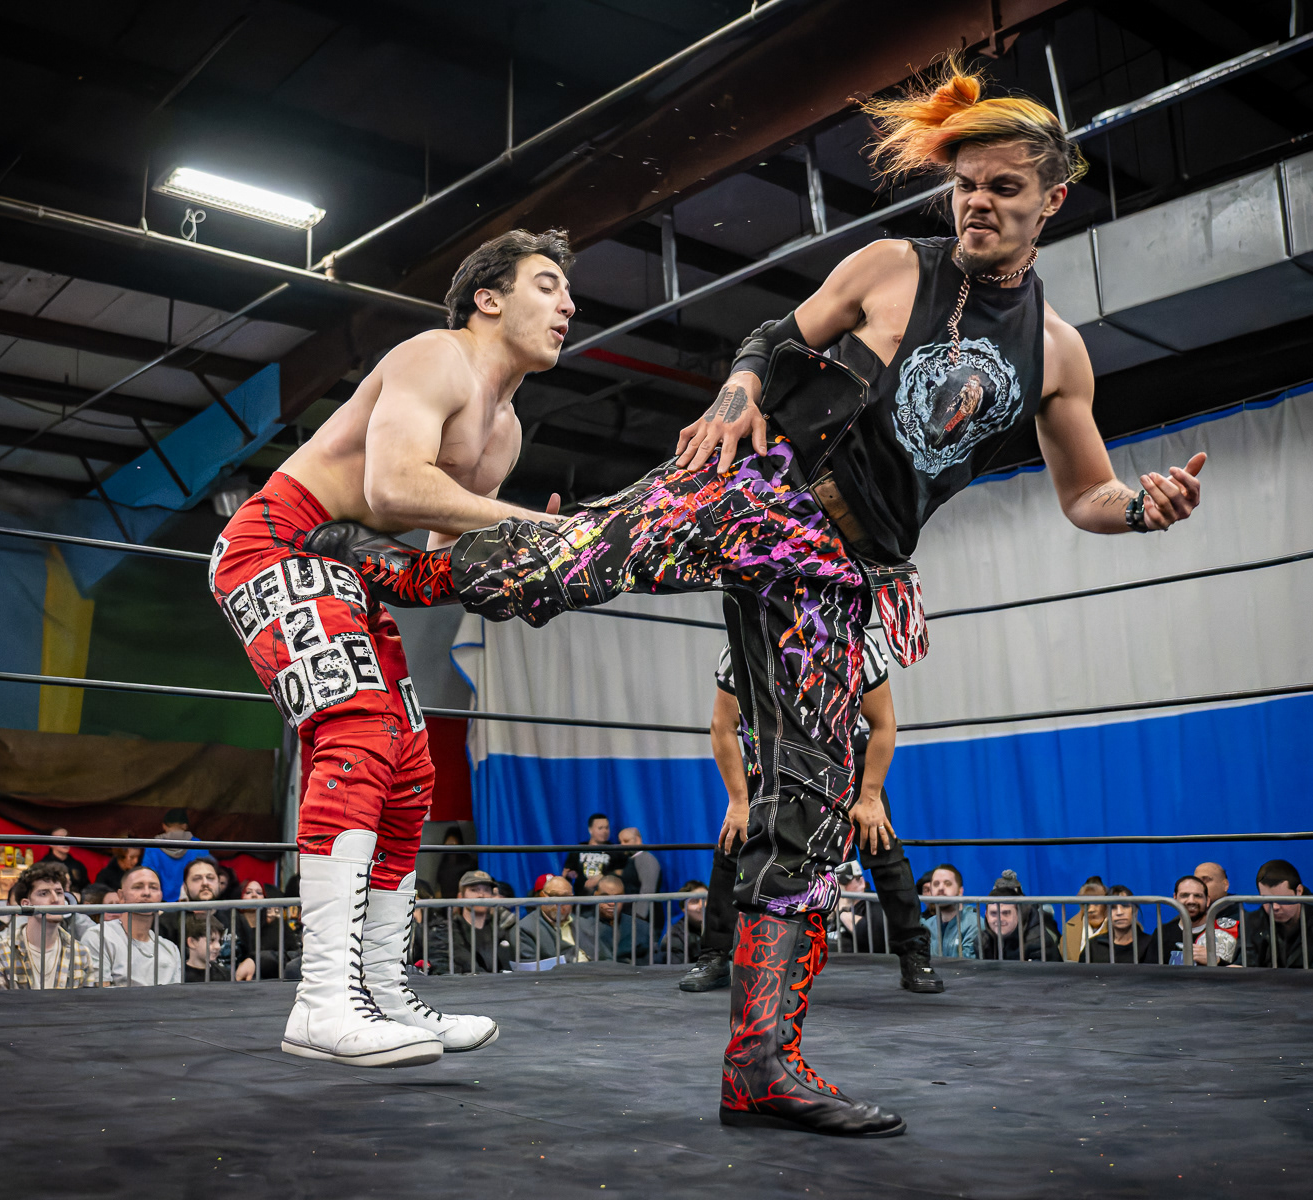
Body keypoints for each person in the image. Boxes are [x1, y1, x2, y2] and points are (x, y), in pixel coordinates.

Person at [327, 58, 1210, 1135]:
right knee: (574, 559)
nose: (978, 202)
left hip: (843, 575)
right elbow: (774, 339)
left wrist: (1144, 507)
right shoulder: (893, 265)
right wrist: (739, 392)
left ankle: (761, 1067)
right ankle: (372, 565)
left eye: (1004, 188)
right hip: (763, 489)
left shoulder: (1057, 355)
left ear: (1052, 200)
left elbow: (1085, 495)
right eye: (966, 184)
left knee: (811, 814)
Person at [206, 229, 583, 1062]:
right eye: (547, 285)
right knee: (360, 730)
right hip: (276, 543)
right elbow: (392, 485)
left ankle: (380, 994)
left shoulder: (505, 432)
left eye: (568, 293)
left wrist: (522, 570)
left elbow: (434, 571)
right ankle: (321, 1003)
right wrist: (538, 527)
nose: (567, 305)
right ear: (489, 298)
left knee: (411, 765)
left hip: (354, 571)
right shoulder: (434, 357)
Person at [683, 625, 939, 995]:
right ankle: (714, 955)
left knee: (880, 842)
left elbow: (883, 723)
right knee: (735, 841)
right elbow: (723, 726)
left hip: (843, 759)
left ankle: (914, 953)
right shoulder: (746, 638)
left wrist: (870, 797)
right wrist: (738, 801)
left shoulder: (855, 643)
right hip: (773, 759)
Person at [0, 861, 95, 990]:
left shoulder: (81, 952)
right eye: (44, 893)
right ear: (26, 904)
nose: (55, 899)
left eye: (59, 893)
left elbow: (87, 1001)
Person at [1241, 860, 1313, 969]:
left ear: (1299, 891)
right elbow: (1244, 966)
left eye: (1282, 899)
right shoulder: (1252, 924)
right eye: (1267, 900)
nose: (1275, 907)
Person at [97, 865, 184, 987]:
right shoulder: (100, 936)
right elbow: (100, 994)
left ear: (161, 896)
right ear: (121, 896)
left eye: (153, 888)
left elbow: (177, 994)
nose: (146, 893)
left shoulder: (171, 948)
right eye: (138, 887)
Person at [436, 870, 514, 975]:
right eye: (474, 890)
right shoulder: (448, 930)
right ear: (460, 897)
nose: (481, 895)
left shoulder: (503, 927)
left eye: (486, 890)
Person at [978, 872, 1063, 961]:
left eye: (1006, 913)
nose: (1000, 919)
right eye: (994, 913)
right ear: (986, 915)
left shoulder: (1038, 942)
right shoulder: (982, 941)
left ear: (1019, 913)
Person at [1157, 874, 1238, 967]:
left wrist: (1216, 961)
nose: (1191, 901)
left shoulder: (1230, 930)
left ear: (1207, 900)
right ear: (1175, 898)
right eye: (1184, 895)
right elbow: (1150, 971)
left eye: (1198, 896)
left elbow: (1241, 970)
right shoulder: (1162, 933)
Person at [236, 878, 301, 980]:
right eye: (248, 892)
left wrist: (256, 960)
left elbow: (292, 954)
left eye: (259, 892)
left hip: (271, 979)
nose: (254, 895)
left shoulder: (278, 926)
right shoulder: (233, 923)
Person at [515, 875, 585, 966]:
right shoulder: (525, 929)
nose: (560, 902)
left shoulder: (586, 924)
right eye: (554, 896)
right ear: (542, 896)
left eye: (565, 897)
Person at [920, 864, 985, 958]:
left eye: (947, 883)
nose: (941, 888)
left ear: (960, 891)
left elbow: (968, 964)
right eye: (936, 884)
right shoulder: (927, 926)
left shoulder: (974, 923)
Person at [1080, 886, 1155, 963]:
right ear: (1106, 913)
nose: (1119, 912)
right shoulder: (1094, 946)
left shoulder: (1150, 944)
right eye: (1113, 907)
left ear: (1135, 910)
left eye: (1125, 906)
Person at [139, 809, 201, 905]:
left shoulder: (152, 846)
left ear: (164, 826)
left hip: (160, 902)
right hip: (190, 901)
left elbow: (146, 874)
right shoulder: (199, 845)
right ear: (185, 826)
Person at [562, 814, 627, 895]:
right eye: (600, 828)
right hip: (581, 896)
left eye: (607, 828)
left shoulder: (615, 850)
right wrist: (569, 875)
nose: (604, 831)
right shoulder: (578, 849)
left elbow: (623, 872)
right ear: (590, 829)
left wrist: (601, 877)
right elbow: (567, 872)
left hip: (607, 897)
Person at [659, 881, 709, 964]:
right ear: (684, 909)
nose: (703, 905)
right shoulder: (676, 935)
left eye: (705, 899)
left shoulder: (721, 927)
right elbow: (675, 969)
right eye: (695, 901)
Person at [1060, 877, 1108, 962]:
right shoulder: (1069, 929)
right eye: (1086, 904)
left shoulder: (1120, 928)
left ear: (1106, 904)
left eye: (1096, 903)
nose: (1091, 909)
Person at [1194, 862, 1241, 943]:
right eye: (1196, 882)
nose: (1199, 886)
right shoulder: (1185, 920)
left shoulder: (1244, 919)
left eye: (1206, 880)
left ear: (1225, 885)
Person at [182, 914, 232, 983]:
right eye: (211, 940)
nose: (218, 946)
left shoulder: (226, 975)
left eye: (219, 941)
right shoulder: (178, 975)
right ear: (192, 942)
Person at [39, 828, 91, 894]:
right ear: (50, 843)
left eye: (67, 837)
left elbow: (86, 887)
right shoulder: (43, 865)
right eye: (60, 838)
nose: (65, 841)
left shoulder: (78, 865)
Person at [434, 826, 477, 901]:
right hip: (445, 902)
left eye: (453, 843)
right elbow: (439, 884)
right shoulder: (444, 863)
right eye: (448, 843)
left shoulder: (469, 864)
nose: (450, 845)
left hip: (462, 901)